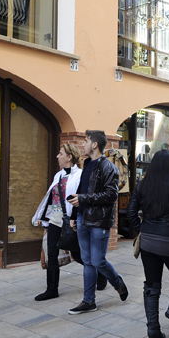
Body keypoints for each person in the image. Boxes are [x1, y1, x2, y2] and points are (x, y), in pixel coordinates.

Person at [127, 150, 169, 338]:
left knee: (151, 285)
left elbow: (131, 211)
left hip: (148, 242)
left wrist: (142, 229)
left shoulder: (143, 185)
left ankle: (153, 329)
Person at [31, 144, 107, 301]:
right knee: (51, 254)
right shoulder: (58, 176)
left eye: (60, 154)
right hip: (55, 219)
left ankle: (101, 275)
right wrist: (44, 217)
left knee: (78, 254)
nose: (57, 156)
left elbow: (83, 198)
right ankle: (52, 289)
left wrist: (77, 218)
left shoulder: (80, 174)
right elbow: (51, 198)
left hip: (72, 219)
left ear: (69, 156)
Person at [67, 130, 129, 314]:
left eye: (85, 141)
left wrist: (84, 199)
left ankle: (117, 282)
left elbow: (111, 195)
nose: (83, 144)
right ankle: (89, 301)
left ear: (94, 144)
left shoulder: (109, 168)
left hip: (99, 221)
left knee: (98, 261)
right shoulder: (87, 164)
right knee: (88, 261)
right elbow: (81, 190)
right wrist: (74, 215)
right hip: (83, 218)